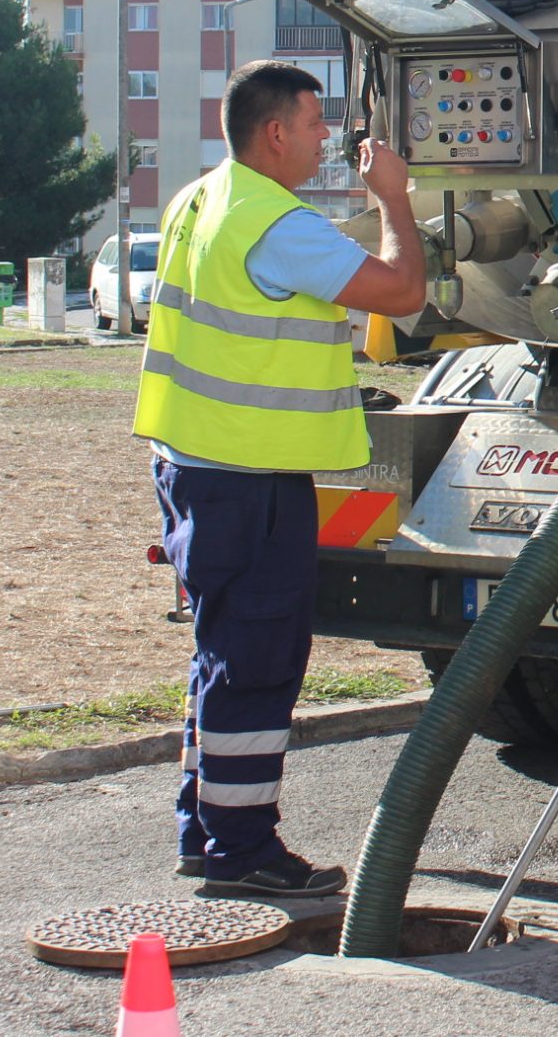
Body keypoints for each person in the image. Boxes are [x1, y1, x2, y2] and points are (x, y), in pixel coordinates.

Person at [132, 59, 425, 896]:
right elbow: (403, 292)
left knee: (221, 655)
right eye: (313, 122)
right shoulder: (278, 223)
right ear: (273, 133)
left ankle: (205, 830)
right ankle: (242, 849)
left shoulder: (201, 199)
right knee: (255, 664)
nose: (325, 137)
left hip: (194, 464)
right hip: (249, 477)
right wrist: (394, 198)